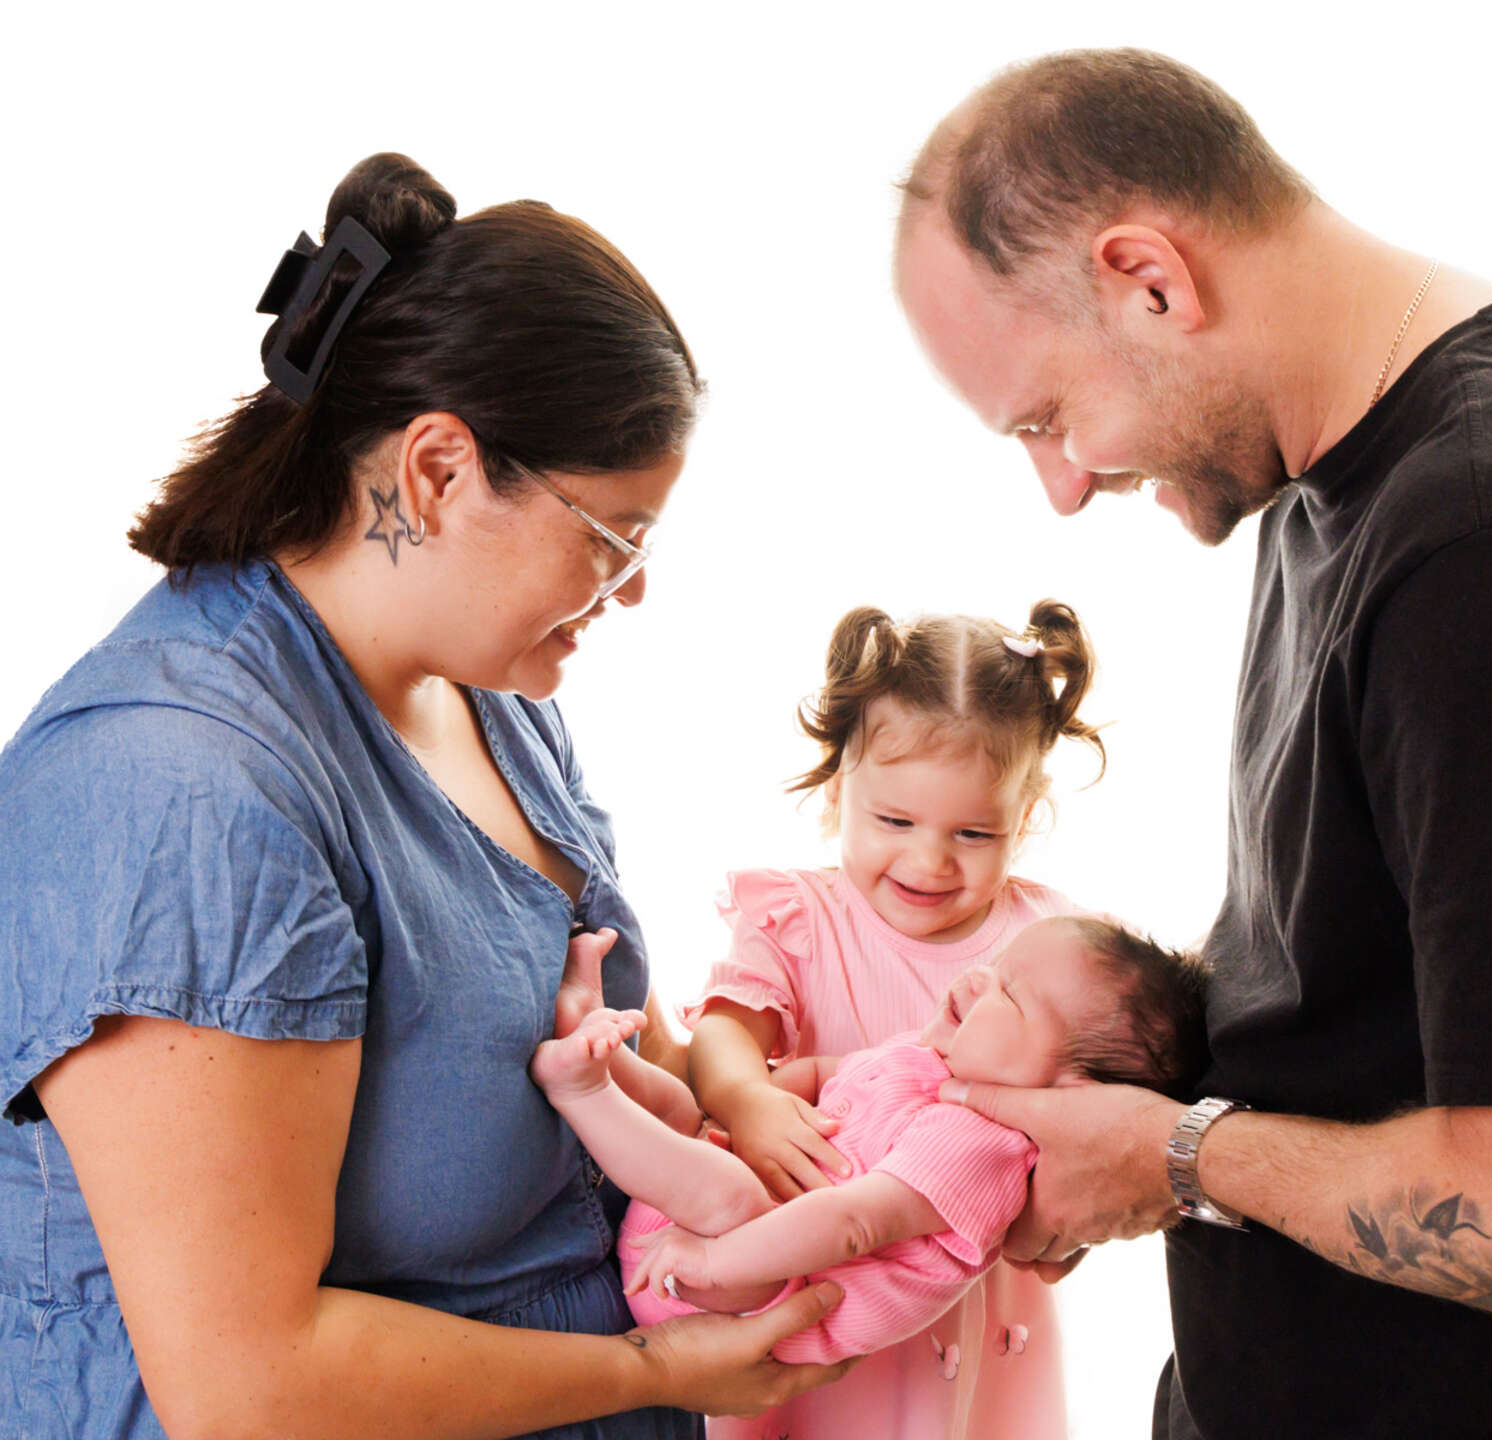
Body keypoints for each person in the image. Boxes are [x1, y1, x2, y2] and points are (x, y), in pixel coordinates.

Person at [891, 48, 1492, 1440]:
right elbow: (1398, 981)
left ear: (1152, 279)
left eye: (1050, 416)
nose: (1063, 486)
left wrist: (1178, 1158)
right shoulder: (1360, 474)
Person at [0, 153, 855, 1440]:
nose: (630, 591)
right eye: (615, 537)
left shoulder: (489, 692)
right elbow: (251, 1387)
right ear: (439, 471)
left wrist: (823, 1114)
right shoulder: (186, 793)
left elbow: (614, 1031)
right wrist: (655, 1373)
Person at [678, 601, 1104, 1439]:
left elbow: (1086, 1101)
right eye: (895, 821)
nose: (928, 860)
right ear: (841, 792)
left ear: (1028, 816)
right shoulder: (801, 918)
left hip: (965, 1295)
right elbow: (726, 1030)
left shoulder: (1043, 944)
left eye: (974, 832)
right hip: (809, 1277)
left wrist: (1067, 1206)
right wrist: (747, 1102)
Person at [534, 919, 1205, 1370]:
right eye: (995, 965)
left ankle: (583, 1093)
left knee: (728, 1190)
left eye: (1012, 996)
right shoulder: (928, 1057)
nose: (975, 980)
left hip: (740, 1293)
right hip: (704, 1227)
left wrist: (711, 1261)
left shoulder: (985, 1149)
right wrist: (769, 1100)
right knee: (685, 1107)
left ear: (1072, 1091)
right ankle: (595, 1040)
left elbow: (855, 1226)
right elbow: (833, 1075)